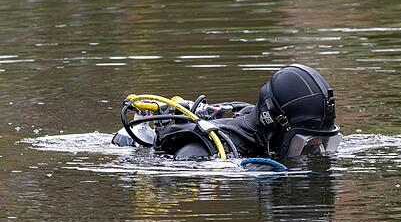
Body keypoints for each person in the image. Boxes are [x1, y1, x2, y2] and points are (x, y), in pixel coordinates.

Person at [112, 64, 342, 161]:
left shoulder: (268, 138)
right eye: (308, 143)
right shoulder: (206, 150)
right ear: (271, 121)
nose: (318, 152)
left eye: (325, 142)